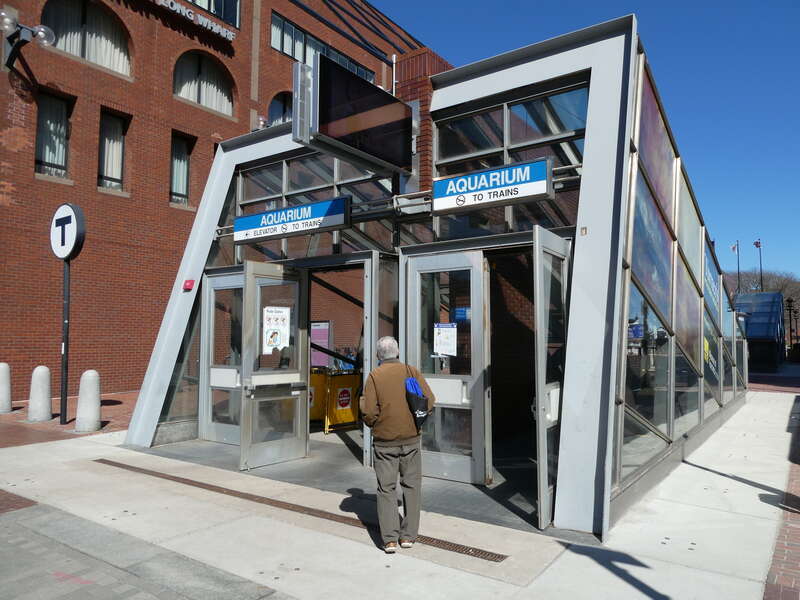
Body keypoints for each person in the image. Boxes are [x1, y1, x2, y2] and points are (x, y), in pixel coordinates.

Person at [360, 336, 435, 554]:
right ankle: (409, 536)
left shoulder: (374, 376)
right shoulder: (411, 371)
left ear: (378, 355)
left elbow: (368, 411)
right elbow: (429, 400)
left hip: (385, 441)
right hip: (411, 438)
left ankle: (390, 540)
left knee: (386, 489)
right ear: (398, 352)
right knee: (412, 486)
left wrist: (376, 423)